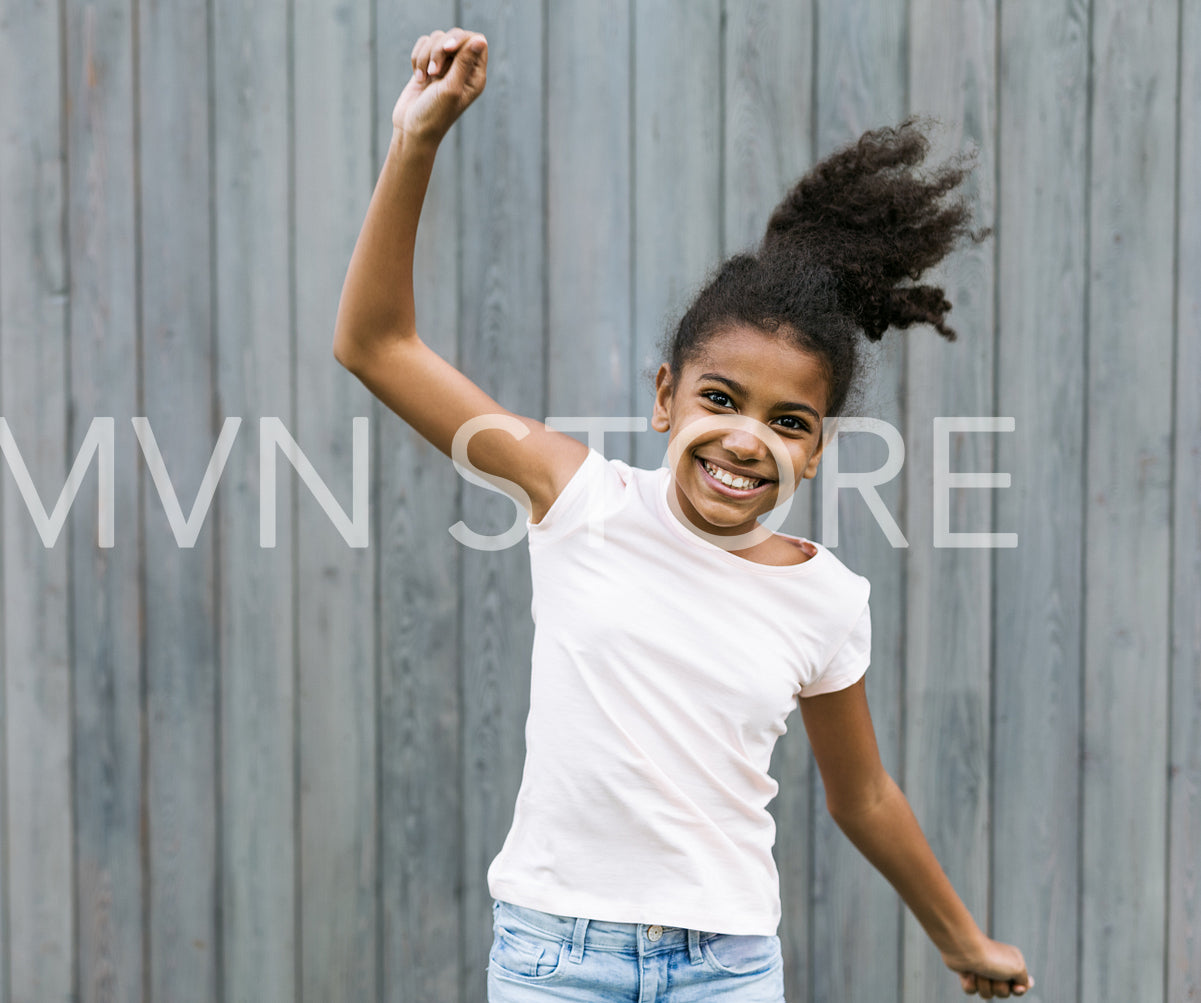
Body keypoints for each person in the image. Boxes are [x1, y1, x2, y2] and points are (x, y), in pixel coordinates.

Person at [333, 25, 1035, 1003]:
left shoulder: (826, 599)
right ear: (665, 396)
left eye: (786, 420)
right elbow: (375, 344)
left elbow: (863, 796)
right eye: (719, 399)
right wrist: (415, 140)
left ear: (815, 448)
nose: (747, 438)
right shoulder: (577, 498)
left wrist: (964, 939)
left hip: (726, 967)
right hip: (554, 958)